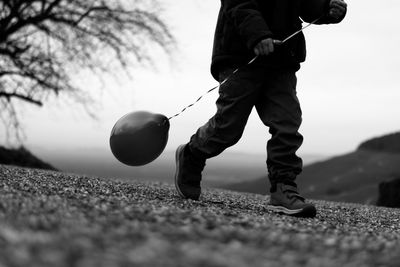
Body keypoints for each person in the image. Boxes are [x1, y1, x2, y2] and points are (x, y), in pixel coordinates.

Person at [174, 0, 347, 218]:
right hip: (240, 56)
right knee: (228, 128)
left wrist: (326, 9)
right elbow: (238, 3)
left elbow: (304, 4)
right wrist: (257, 35)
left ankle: (283, 188)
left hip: (282, 59)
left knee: (287, 123)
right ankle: (192, 153)